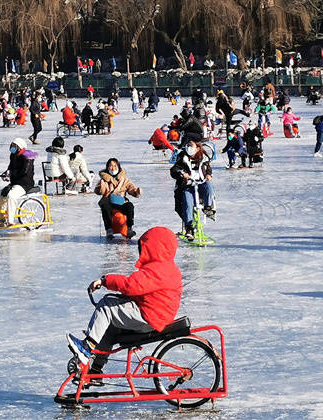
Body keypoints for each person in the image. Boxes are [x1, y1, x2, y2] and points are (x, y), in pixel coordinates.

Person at [66, 227, 183, 381]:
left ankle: (86, 349)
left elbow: (131, 285)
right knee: (111, 326)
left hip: (149, 317)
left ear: (155, 248)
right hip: (155, 314)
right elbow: (141, 291)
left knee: (106, 305)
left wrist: (105, 280)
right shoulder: (166, 267)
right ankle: (96, 370)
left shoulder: (158, 269)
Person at [171, 141, 215, 239]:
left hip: (200, 183)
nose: (189, 149)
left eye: (192, 147)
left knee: (208, 185)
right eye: (188, 147)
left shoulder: (203, 158)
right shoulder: (182, 158)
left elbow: (208, 169)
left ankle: (208, 207)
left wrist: (208, 175)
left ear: (198, 148)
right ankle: (189, 227)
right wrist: (182, 174)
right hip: (188, 185)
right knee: (187, 202)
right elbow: (174, 170)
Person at [0, 138, 38, 228]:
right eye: (12, 145)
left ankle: (10, 220)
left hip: (25, 183)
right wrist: (6, 173)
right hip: (15, 182)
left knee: (11, 196)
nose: (12, 147)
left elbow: (24, 172)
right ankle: (0, 220)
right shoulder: (13, 155)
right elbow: (10, 167)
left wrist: (12, 173)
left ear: (20, 147)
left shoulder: (27, 157)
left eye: (14, 146)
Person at [95, 157, 140, 239]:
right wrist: (101, 186)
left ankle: (130, 228)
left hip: (121, 203)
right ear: (107, 168)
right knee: (105, 206)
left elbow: (131, 189)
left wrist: (136, 191)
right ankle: (109, 230)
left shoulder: (125, 180)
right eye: (111, 166)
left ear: (119, 167)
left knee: (130, 206)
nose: (113, 168)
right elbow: (98, 191)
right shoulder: (104, 180)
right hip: (109, 203)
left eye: (115, 166)